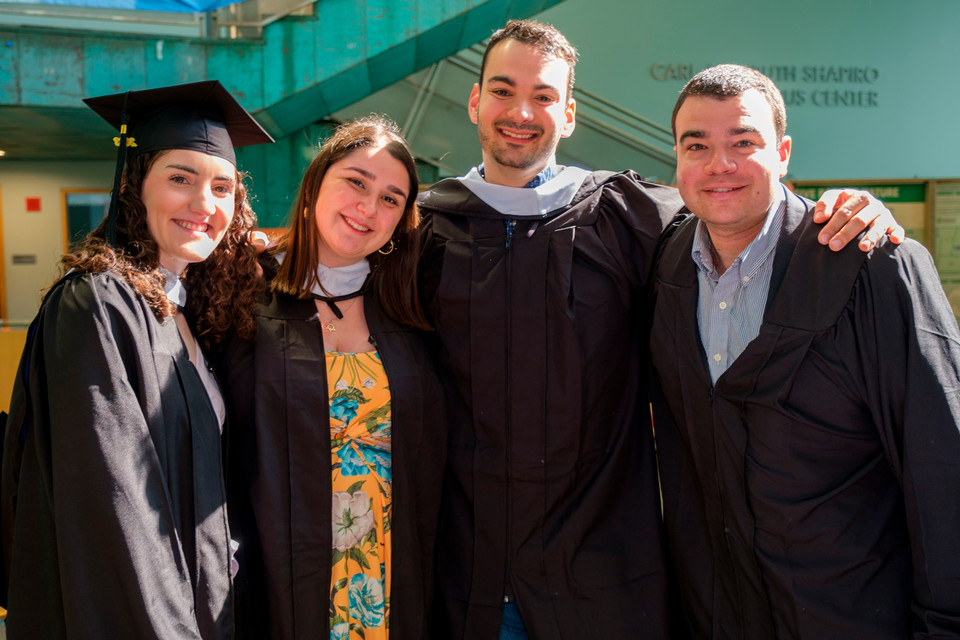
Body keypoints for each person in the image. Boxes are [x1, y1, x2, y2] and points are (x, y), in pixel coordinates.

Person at [417, 20, 903, 639]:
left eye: (543, 95)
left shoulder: (628, 215)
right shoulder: (422, 233)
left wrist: (848, 210)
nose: (521, 111)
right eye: (503, 90)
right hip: (465, 563)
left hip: (601, 566)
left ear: (569, 114)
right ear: (474, 101)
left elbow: (738, 207)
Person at [649, 64, 960, 638]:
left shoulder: (870, 265)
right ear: (676, 157)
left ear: (784, 152)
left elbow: (941, 464)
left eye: (744, 142)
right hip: (720, 614)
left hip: (854, 615)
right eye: (698, 145)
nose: (720, 165)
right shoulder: (665, 264)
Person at [0, 80, 273, 639]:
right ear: (133, 183)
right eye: (180, 178)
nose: (204, 205)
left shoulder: (188, 309)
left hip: (203, 604)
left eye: (222, 188)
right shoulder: (96, 304)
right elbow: (117, 506)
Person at [218, 115, 446, 639]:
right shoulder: (244, 297)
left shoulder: (411, 310)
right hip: (277, 581)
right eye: (356, 183)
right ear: (317, 182)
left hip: (390, 582)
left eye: (392, 198)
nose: (369, 208)